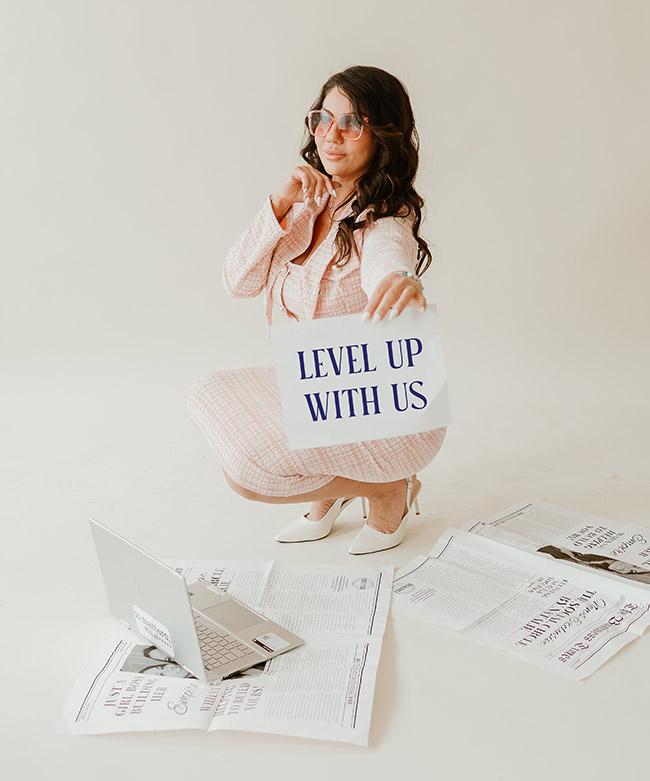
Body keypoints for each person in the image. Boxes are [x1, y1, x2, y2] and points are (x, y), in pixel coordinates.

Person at [188, 66, 447, 554]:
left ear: (383, 136)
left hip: (374, 405)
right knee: (206, 391)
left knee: (249, 473)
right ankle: (339, 485)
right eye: (322, 119)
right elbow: (237, 281)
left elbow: (387, 259)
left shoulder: (389, 218)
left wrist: (399, 280)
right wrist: (280, 203)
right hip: (315, 387)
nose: (331, 136)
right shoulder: (307, 202)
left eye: (352, 123)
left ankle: (386, 485)